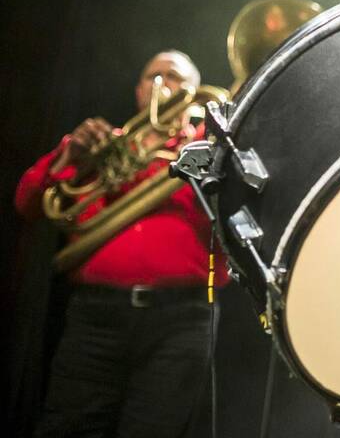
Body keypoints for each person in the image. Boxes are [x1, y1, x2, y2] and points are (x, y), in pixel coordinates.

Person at [14, 50, 223, 438]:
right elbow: (28, 201)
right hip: (95, 316)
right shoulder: (104, 145)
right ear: (138, 91)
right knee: (67, 427)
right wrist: (71, 156)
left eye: (175, 77)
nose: (162, 83)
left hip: (180, 320)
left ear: (194, 92)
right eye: (153, 76)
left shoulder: (208, 145)